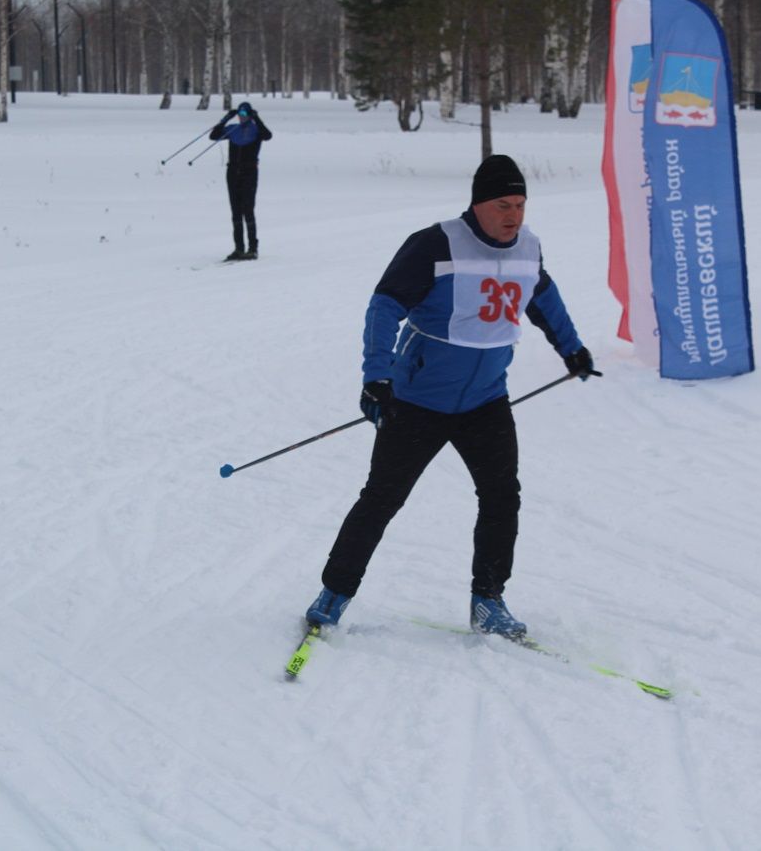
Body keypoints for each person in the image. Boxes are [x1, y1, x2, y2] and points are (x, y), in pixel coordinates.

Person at [303, 154, 600, 638]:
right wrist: (376, 376)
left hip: (486, 401)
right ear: (479, 205)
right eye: (503, 204)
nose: (514, 216)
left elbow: (542, 295)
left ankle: (488, 599)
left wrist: (573, 348)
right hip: (417, 400)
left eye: (521, 205)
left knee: (502, 496)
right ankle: (334, 592)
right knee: (382, 498)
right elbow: (384, 307)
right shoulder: (434, 244)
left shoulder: (529, 247)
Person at [208, 101, 272, 261]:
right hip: (232, 172)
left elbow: (268, 135)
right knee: (236, 212)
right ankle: (239, 248)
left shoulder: (256, 131)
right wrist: (225, 118)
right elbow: (213, 135)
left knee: (248, 210)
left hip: (249, 173)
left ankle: (252, 248)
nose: (241, 118)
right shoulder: (232, 130)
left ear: (249, 115)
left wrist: (257, 119)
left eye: (244, 115)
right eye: (239, 115)